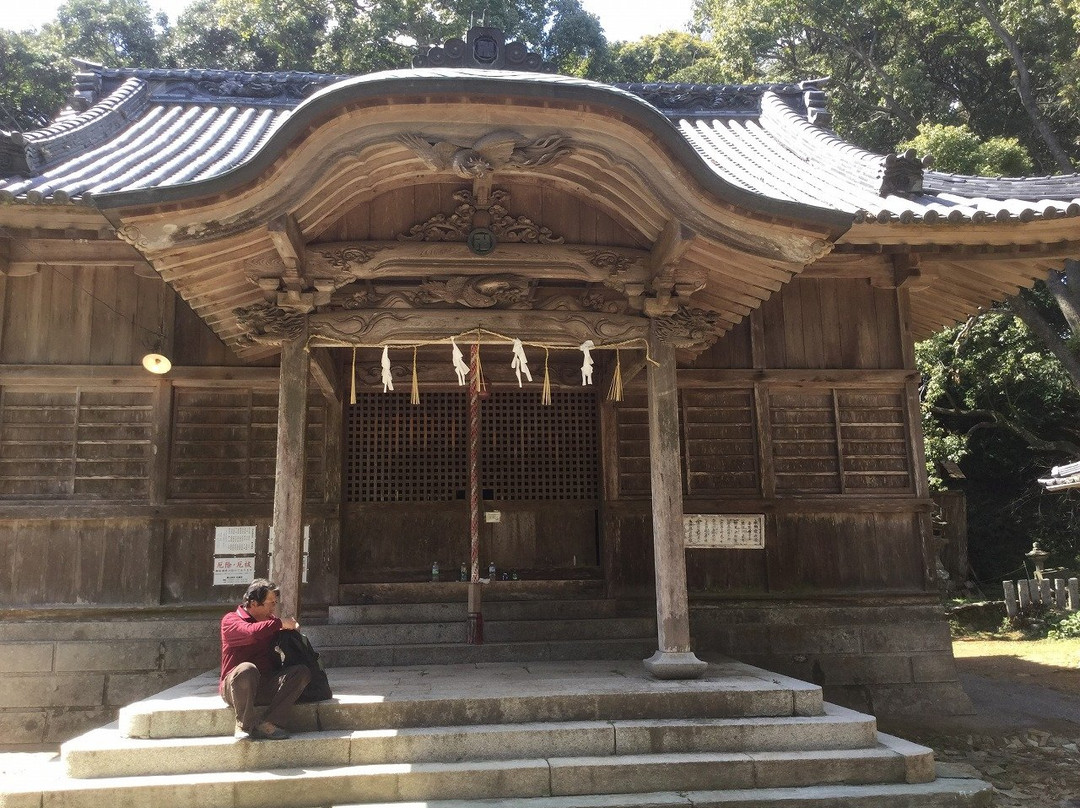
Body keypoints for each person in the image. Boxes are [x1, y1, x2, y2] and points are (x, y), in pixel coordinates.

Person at [220, 578, 311, 741]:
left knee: (301, 672)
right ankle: (243, 725)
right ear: (253, 603)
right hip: (235, 688)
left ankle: (269, 722)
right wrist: (279, 623)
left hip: (265, 684)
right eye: (270, 603)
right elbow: (251, 633)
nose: (274, 607)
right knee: (247, 669)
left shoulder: (270, 623)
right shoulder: (231, 620)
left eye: (275, 603)